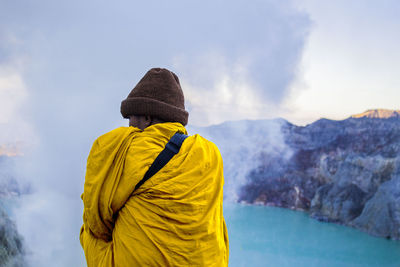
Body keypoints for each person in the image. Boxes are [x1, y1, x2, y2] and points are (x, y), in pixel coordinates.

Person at [80, 68, 229, 266]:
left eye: (131, 118)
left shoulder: (126, 148)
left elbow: (97, 223)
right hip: (207, 261)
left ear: (147, 117)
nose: (129, 126)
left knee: (89, 233)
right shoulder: (209, 153)